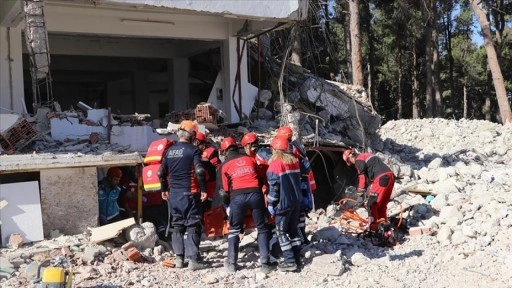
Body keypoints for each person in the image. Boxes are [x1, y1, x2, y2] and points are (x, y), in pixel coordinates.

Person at [217, 136, 273, 274]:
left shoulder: (224, 166)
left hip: (237, 197)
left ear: (224, 152)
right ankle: (265, 264)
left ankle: (231, 263)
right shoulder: (250, 159)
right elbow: (260, 176)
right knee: (262, 228)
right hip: (255, 194)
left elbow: (224, 191)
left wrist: (227, 207)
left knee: (234, 230)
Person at [158, 120, 208, 270]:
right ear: (192, 134)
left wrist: (163, 189)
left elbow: (161, 172)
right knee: (192, 224)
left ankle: (179, 259)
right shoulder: (193, 150)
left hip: (174, 194)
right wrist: (204, 189)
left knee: (177, 225)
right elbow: (199, 171)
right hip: (190, 193)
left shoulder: (169, 151)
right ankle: (193, 261)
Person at [266, 136, 303, 272]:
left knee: (281, 232)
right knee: (293, 231)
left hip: (283, 204)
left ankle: (289, 261)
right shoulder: (294, 161)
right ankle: (297, 259)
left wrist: (270, 203)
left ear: (275, 149)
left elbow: (274, 188)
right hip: (296, 201)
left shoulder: (275, 164)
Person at [276, 126, 315, 245]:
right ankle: (302, 237)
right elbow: (306, 166)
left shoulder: (288, 149)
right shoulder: (297, 146)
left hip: (295, 182)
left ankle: (297, 237)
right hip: (303, 181)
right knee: (301, 210)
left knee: (295, 210)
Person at [343, 149, 395, 232]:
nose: (352, 163)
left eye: (350, 161)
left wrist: (360, 193)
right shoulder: (366, 155)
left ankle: (374, 228)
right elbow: (369, 176)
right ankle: (385, 228)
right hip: (390, 177)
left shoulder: (358, 160)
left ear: (350, 157)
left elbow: (362, 177)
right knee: (381, 205)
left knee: (372, 204)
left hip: (381, 178)